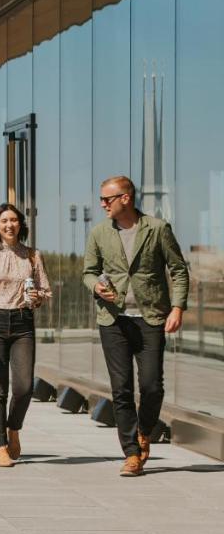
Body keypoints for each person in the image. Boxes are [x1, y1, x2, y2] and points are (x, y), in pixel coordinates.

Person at [83, 175, 189, 477]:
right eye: (101, 199)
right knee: (121, 389)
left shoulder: (157, 229)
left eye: (107, 199)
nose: (102, 204)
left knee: (152, 385)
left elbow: (179, 270)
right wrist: (95, 287)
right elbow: (88, 272)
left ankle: (144, 432)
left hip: (151, 317)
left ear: (125, 199)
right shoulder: (99, 233)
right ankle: (131, 452)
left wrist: (177, 307)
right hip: (112, 320)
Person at [0, 203, 50, 467]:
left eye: (14, 220)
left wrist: (37, 297)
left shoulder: (32, 255)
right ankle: (0, 446)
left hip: (23, 323)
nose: (9, 225)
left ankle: (13, 427)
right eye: (4, 221)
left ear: (20, 224)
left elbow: (44, 290)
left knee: (25, 387)